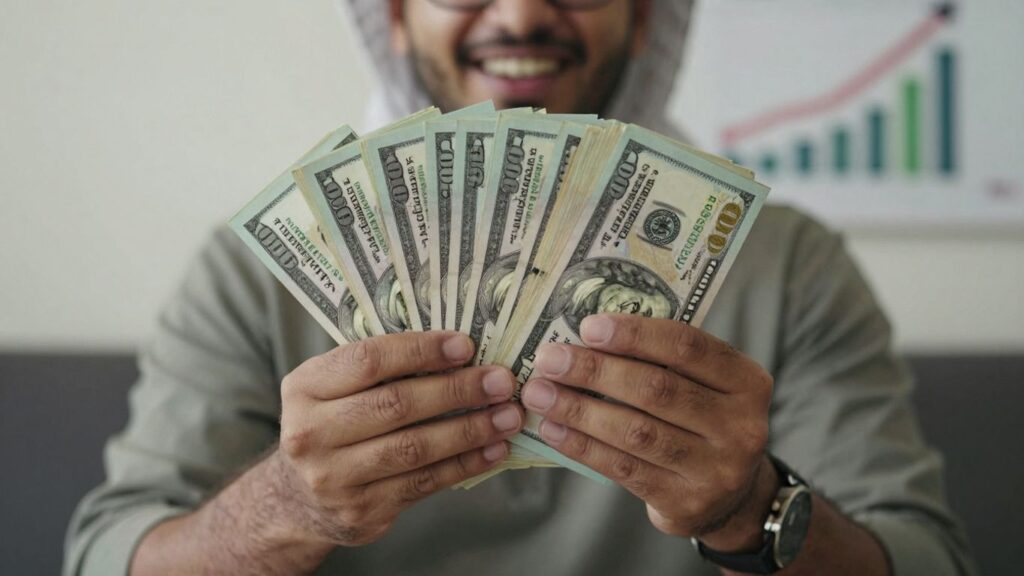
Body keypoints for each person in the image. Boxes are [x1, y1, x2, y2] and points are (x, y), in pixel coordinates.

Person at [64, 1, 976, 574]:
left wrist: (751, 510)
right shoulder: (252, 272)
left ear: (647, 19)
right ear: (393, 18)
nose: (521, 12)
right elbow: (110, 556)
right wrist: (283, 511)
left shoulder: (791, 266)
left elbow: (927, 559)